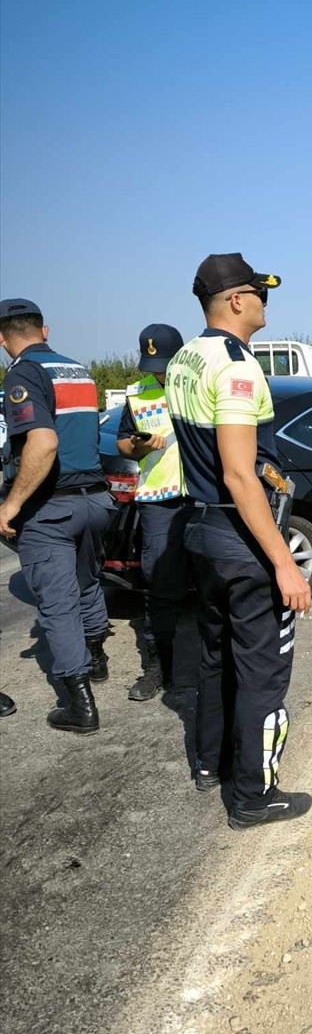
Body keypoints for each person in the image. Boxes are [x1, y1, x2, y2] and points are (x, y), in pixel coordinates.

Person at [165, 253, 312, 829]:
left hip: (200, 528)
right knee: (263, 671)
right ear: (234, 300)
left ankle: (211, 763)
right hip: (238, 531)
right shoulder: (235, 365)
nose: (264, 303)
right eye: (260, 293)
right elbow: (238, 473)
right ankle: (255, 795)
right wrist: (284, 562)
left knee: (213, 653)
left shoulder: (184, 358)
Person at [0, 297, 114, 733]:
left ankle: (78, 704)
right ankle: (98, 656)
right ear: (44, 331)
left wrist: (12, 503)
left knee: (58, 604)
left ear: (3, 338)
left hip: (53, 507)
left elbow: (43, 443)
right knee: (87, 583)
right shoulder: (77, 369)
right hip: (95, 501)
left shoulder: (23, 374)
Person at [115, 323, 191, 701]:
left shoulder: (197, 386)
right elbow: (124, 445)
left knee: (215, 583)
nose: (158, 371)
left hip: (201, 496)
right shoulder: (137, 395)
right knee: (159, 587)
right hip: (158, 501)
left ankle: (213, 667)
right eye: (152, 364)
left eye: (164, 363)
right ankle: (157, 669)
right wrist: (139, 445)